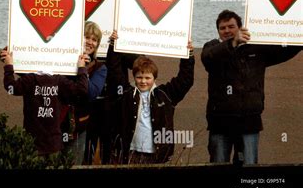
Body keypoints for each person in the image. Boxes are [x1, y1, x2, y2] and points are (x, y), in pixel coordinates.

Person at [202, 10, 301, 165]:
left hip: (249, 120)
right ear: (218, 31)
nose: (227, 30)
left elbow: (284, 50)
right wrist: (233, 43)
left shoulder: (256, 49)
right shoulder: (212, 48)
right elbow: (207, 58)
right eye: (223, 28)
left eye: (231, 26)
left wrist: (299, 37)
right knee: (218, 166)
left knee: (249, 167)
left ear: (240, 28)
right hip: (220, 122)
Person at [107, 30, 195, 164]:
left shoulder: (165, 95)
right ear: (134, 77)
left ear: (154, 78)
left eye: (147, 77)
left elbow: (185, 80)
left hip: (158, 155)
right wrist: (113, 46)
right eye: (139, 77)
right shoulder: (125, 94)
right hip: (131, 153)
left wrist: (188, 55)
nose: (143, 81)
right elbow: (114, 72)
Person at [0, 48, 89, 156]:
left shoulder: (31, 79)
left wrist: (9, 66)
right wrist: (82, 69)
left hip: (34, 141)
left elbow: (11, 87)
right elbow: (82, 90)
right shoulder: (57, 80)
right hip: (48, 142)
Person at [61, 21, 107, 165]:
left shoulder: (100, 68)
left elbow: (91, 93)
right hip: (55, 123)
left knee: (73, 164)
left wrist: (83, 69)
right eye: (86, 37)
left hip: (78, 127)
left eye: (94, 39)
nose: (90, 42)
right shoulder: (63, 60)